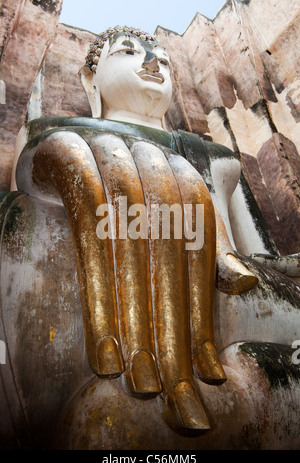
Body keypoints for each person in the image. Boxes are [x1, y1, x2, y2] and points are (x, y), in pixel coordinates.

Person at [12, 26, 261, 434]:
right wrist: (62, 158)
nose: (151, 63)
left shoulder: (213, 155)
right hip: (96, 269)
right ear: (91, 80)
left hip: (219, 282)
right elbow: (23, 203)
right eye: (128, 53)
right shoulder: (54, 132)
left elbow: (258, 261)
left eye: (163, 61)